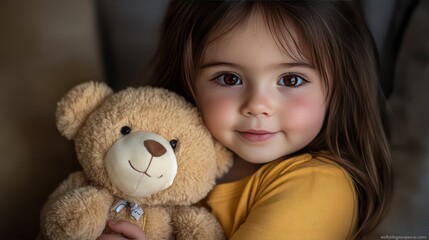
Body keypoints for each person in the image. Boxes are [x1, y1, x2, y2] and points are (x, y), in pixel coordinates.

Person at [98, 0, 392, 239]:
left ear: (339, 86)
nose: (257, 106)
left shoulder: (321, 186)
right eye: (229, 78)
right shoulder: (160, 162)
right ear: (189, 83)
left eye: (291, 79)